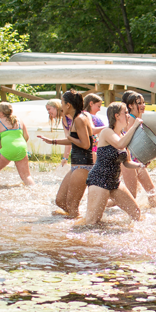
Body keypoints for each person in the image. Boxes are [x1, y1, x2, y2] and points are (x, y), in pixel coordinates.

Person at [84, 102, 145, 224]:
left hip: (114, 181)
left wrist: (140, 165)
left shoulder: (122, 135)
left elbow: (127, 162)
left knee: (136, 213)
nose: (128, 115)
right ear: (117, 116)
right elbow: (119, 144)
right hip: (99, 180)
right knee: (92, 222)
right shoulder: (107, 132)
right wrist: (135, 126)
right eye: (126, 113)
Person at [40, 90, 96, 218]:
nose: (61, 105)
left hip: (83, 166)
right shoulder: (78, 118)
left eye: (62, 103)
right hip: (76, 166)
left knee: (72, 205)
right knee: (60, 201)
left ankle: (76, 231)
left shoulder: (80, 120)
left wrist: (70, 138)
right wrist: (53, 141)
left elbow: (86, 144)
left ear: (68, 105)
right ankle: (76, 220)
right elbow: (76, 141)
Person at [120, 91, 156, 208]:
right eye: (139, 103)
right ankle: (106, 204)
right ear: (130, 106)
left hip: (137, 159)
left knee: (151, 190)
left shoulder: (136, 117)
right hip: (128, 160)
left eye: (143, 102)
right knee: (132, 195)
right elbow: (127, 142)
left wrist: (146, 157)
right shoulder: (130, 119)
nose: (143, 105)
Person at [0, 103, 34, 187]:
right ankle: (34, 189)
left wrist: (3, 154)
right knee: (26, 176)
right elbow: (26, 137)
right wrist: (18, 148)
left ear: (1, 112)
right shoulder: (19, 120)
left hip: (7, 149)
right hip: (21, 148)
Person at [45, 98, 70, 165]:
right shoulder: (64, 121)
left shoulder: (69, 117)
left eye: (49, 109)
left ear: (57, 107)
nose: (48, 112)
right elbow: (68, 140)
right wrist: (65, 158)